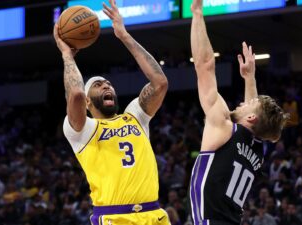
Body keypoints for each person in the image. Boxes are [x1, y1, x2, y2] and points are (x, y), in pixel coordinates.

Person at [53, 0, 170, 224]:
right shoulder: (82, 130)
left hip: (154, 215)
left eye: (108, 83)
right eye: (98, 85)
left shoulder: (135, 116)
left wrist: (124, 36)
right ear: (88, 102)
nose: (106, 86)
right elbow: (76, 94)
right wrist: (67, 54)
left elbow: (160, 83)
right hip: (114, 217)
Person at [189, 0, 289, 225]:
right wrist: (249, 79)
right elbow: (253, 118)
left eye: (247, 105)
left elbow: (204, 66)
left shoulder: (223, 126)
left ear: (251, 117)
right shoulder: (257, 151)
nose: (242, 104)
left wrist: (196, 13)